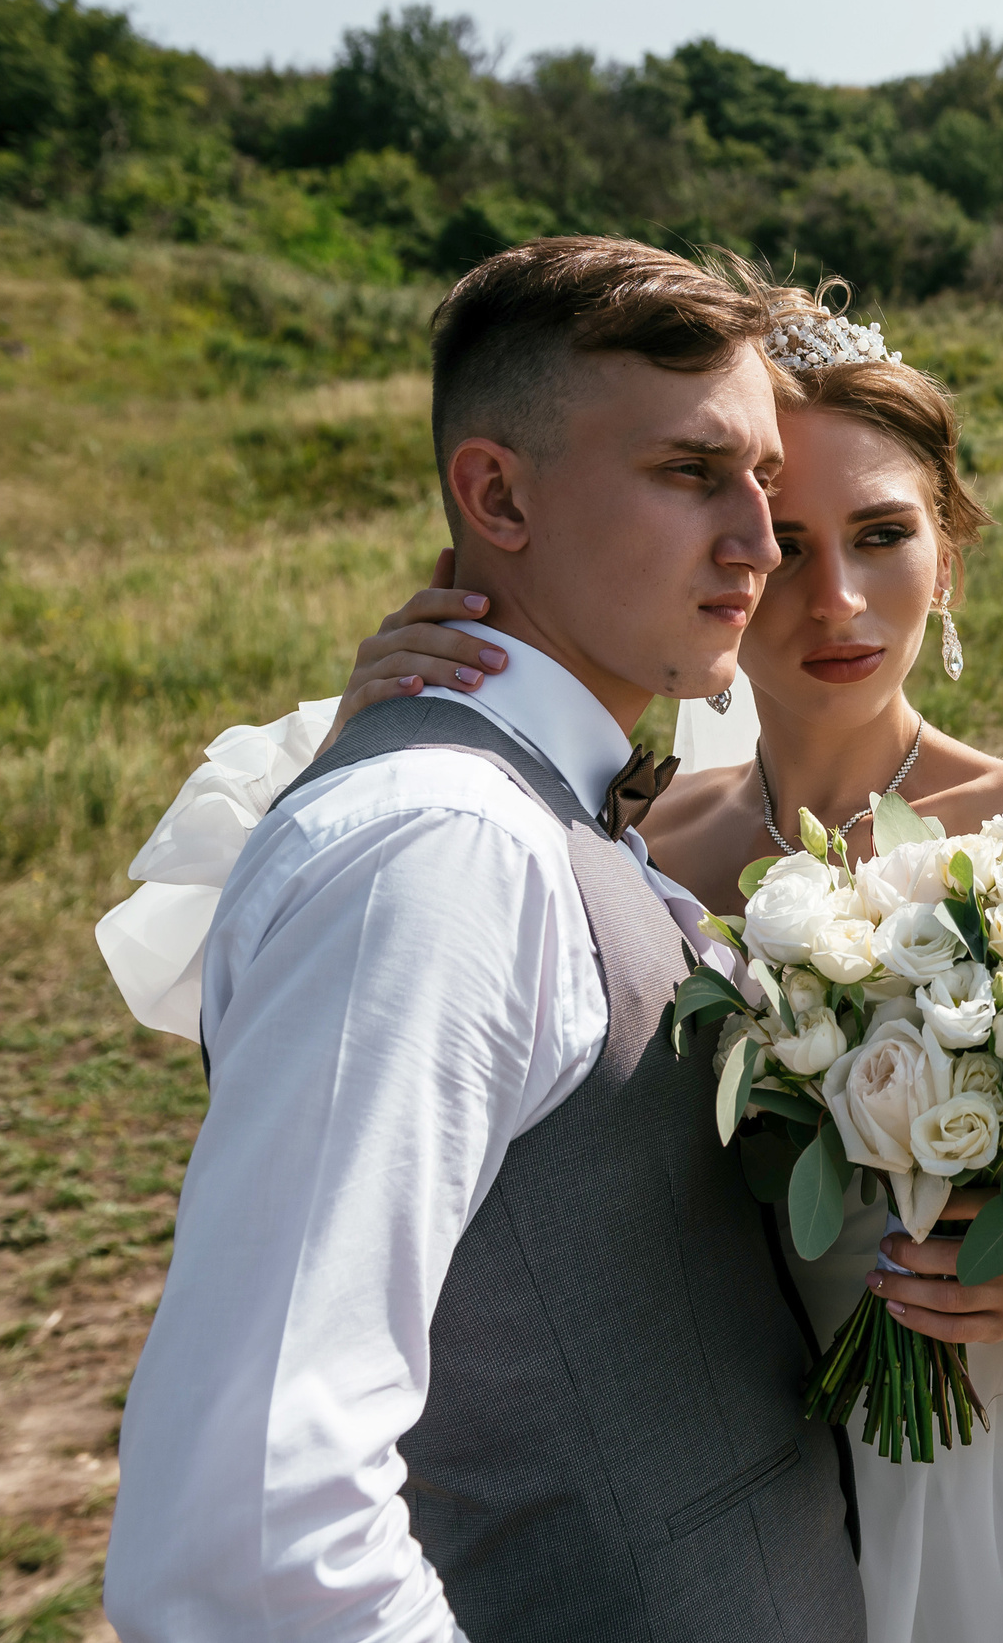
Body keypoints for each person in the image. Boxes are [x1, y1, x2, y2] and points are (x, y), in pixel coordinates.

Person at [103, 276, 1003, 1642]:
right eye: (783, 533)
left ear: (946, 554)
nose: (828, 594)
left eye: (885, 534)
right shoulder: (637, 829)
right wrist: (376, 714)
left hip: (991, 1480)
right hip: (745, 1480)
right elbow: (382, 902)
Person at [101, 238, 867, 1643]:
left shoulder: (534, 804)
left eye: (763, 478)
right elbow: (255, 1524)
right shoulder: (445, 848)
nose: (761, 541)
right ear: (497, 494)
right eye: (694, 474)